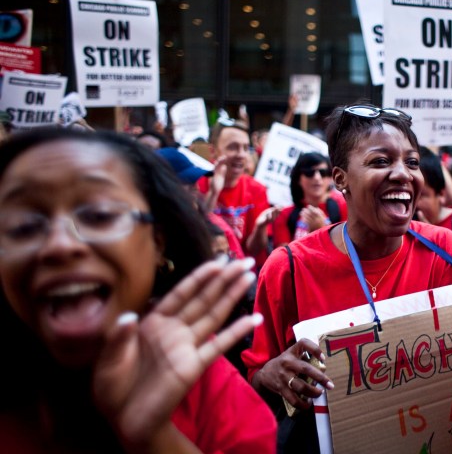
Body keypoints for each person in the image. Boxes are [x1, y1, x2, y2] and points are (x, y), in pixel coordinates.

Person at [0, 126, 276, 452]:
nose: (58, 244)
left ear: (159, 243)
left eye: (99, 215)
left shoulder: (215, 393)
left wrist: (157, 438)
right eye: (24, 225)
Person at [242, 103, 452, 451]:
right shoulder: (288, 266)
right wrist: (271, 374)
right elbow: (254, 381)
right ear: (340, 179)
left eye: (411, 161)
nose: (403, 174)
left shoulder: (442, 250)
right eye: (380, 162)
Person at [198, 118, 280, 269]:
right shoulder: (197, 184)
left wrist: (260, 227)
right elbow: (196, 232)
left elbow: (255, 249)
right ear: (213, 151)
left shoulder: (257, 189)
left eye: (245, 148)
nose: (241, 154)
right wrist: (214, 193)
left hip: (243, 275)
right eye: (233, 147)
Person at [272, 152, 347, 248]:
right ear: (298, 179)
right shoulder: (285, 215)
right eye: (309, 173)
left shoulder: (344, 207)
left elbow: (347, 252)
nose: (317, 178)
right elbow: (283, 258)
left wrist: (321, 231)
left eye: (323, 172)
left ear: (330, 177)